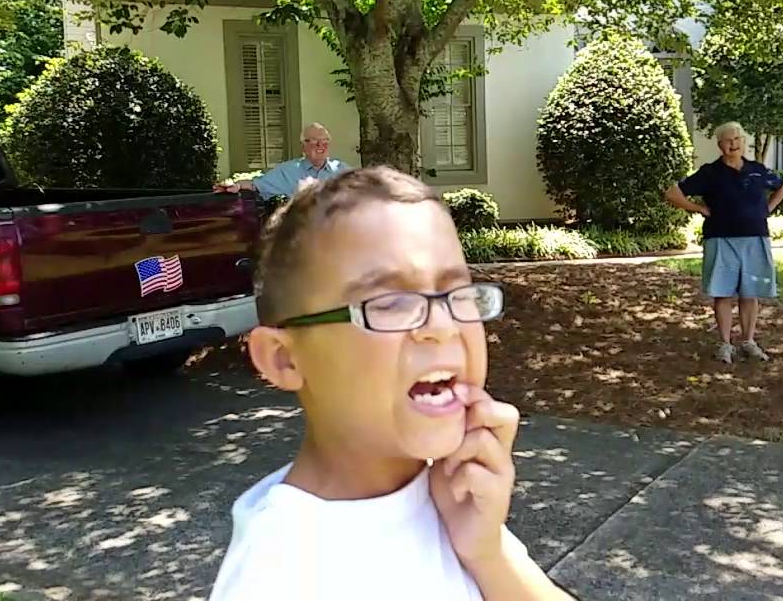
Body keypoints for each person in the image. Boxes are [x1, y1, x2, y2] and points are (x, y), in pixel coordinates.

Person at [209, 167, 573, 601]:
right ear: (284, 359)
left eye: (458, 293)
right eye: (390, 303)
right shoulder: (282, 573)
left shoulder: (446, 493)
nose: (442, 326)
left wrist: (488, 552)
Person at [664, 122, 783, 365]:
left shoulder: (757, 170)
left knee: (750, 293)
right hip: (720, 238)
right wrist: (699, 208)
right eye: (728, 140)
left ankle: (749, 342)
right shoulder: (710, 173)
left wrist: (767, 209)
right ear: (720, 145)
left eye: (738, 139)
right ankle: (725, 344)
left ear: (743, 142)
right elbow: (672, 193)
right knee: (722, 293)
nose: (734, 144)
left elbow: (782, 186)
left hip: (755, 237)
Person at [214, 122, 348, 199]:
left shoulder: (343, 171)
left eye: (325, 141)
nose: (320, 145)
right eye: (314, 141)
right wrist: (235, 185)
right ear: (303, 146)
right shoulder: (287, 172)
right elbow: (257, 185)